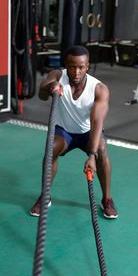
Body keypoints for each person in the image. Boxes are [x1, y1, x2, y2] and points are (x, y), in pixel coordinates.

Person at [30, 45, 118, 219]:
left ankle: (107, 199)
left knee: (101, 150)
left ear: (87, 66)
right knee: (50, 149)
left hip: (88, 132)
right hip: (65, 133)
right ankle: (45, 195)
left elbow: (96, 122)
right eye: (72, 67)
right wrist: (50, 86)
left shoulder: (99, 89)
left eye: (81, 67)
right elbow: (41, 93)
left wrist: (91, 155)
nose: (76, 72)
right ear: (66, 65)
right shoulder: (57, 76)